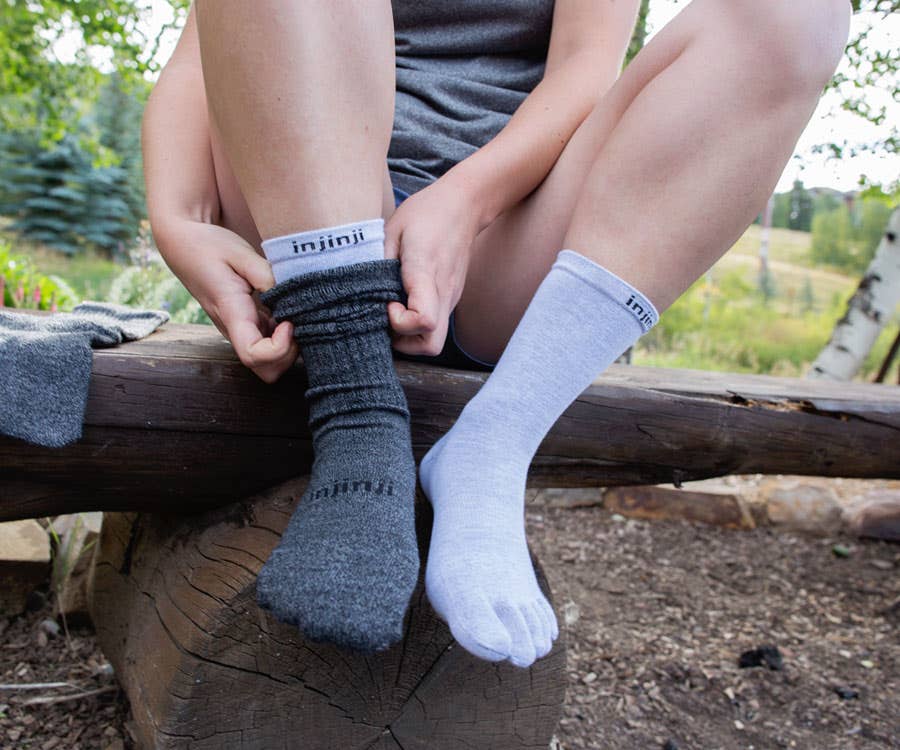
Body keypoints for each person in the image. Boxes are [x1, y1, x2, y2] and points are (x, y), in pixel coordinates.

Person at [143, 0, 851, 668]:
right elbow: (197, 58)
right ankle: (358, 413)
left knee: (797, 11)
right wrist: (178, 221)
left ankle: (491, 446)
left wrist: (463, 201)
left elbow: (584, 70)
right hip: (294, 205)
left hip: (494, 236)